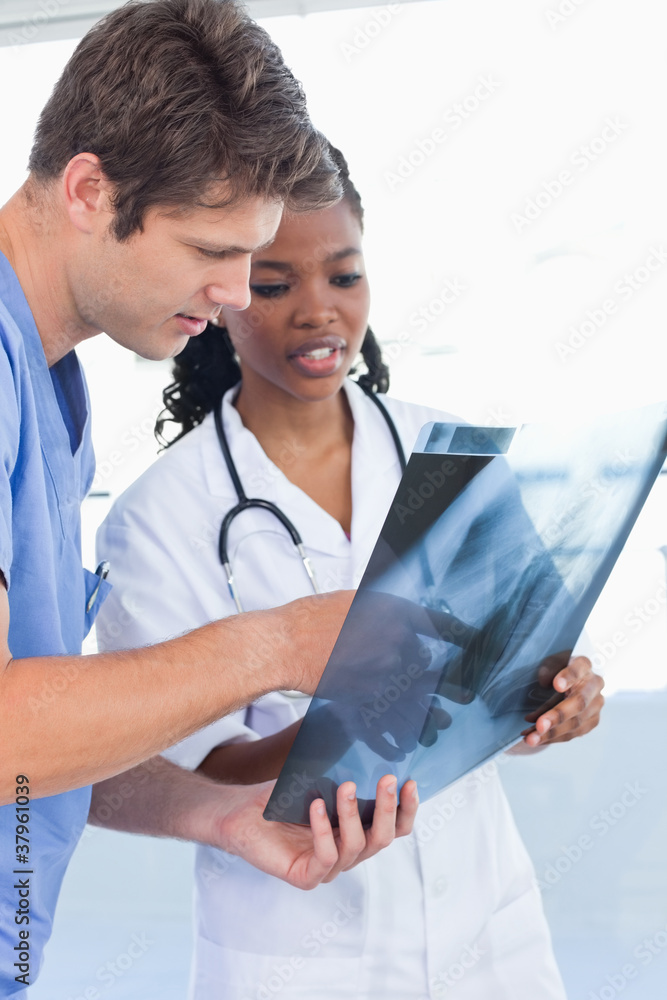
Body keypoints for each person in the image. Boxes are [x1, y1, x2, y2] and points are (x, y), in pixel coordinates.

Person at [95, 146, 604, 999]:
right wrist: (345, 726)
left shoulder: (453, 457)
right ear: (221, 296)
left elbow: (516, 673)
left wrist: (556, 702)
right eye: (274, 283)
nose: (317, 312)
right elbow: (181, 767)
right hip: (297, 943)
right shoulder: (160, 516)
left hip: (489, 933)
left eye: (343, 277)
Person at [0, 4, 417, 995]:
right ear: (91, 189)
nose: (237, 292)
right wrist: (274, 644)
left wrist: (212, 812)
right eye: (209, 250)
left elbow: (48, 728)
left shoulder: (49, 384)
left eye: (252, 254)